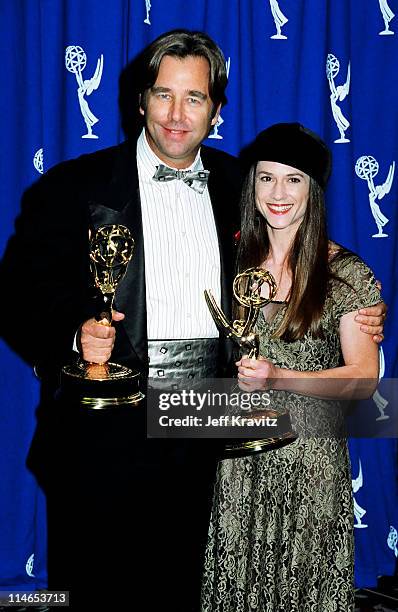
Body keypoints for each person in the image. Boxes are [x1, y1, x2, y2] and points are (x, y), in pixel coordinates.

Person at [0, 32, 384, 611]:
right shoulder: (71, 188)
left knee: (190, 587)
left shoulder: (239, 184)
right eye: (164, 95)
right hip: (106, 423)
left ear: (216, 110)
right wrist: (71, 333)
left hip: (210, 418)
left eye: (195, 99)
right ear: (140, 100)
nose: (178, 115)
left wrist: (354, 285)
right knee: (98, 586)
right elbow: (18, 293)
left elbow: (291, 229)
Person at [201, 123, 382, 611]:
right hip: (239, 462)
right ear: (251, 185)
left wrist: (280, 378)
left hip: (310, 464)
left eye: (293, 180)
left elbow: (364, 379)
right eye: (266, 178)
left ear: (314, 190)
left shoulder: (347, 274)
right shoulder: (229, 262)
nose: (278, 193)